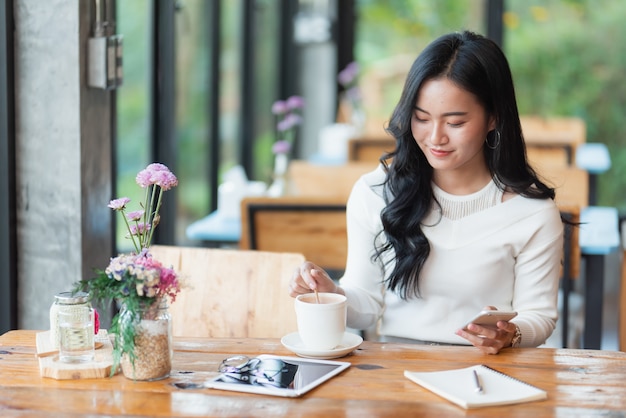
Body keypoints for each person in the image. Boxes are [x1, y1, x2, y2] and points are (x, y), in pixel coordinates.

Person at [289, 30, 565, 354]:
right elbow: (365, 304)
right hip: (396, 369)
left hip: (486, 370)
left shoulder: (532, 213)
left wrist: (511, 332)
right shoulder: (376, 192)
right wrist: (332, 292)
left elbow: (539, 316)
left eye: (455, 123)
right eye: (421, 118)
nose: (435, 138)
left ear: (493, 118)